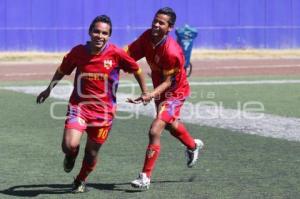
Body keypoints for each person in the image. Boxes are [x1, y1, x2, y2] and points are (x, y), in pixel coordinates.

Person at [36, 15, 148, 193]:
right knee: (69, 146)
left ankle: (80, 180)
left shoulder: (116, 53)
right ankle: (71, 156)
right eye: (96, 31)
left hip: (104, 113)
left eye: (104, 33)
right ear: (90, 32)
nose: (100, 36)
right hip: (79, 107)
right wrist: (49, 88)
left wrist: (144, 92)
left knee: (91, 153)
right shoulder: (78, 52)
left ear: (109, 36)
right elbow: (62, 70)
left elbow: (137, 69)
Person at [126, 7, 204, 189]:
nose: (156, 24)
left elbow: (169, 82)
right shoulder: (147, 37)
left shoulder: (172, 52)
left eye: (161, 22)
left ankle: (144, 177)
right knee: (169, 124)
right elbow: (128, 54)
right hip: (159, 89)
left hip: (175, 92)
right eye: (155, 20)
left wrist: (150, 95)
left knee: (155, 130)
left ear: (170, 28)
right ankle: (193, 146)